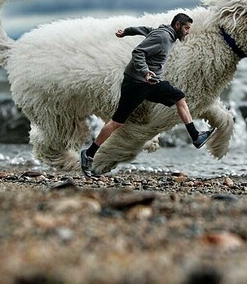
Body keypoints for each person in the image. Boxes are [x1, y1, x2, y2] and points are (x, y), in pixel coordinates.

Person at [81, 13, 216, 175]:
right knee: (117, 122)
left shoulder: (164, 32)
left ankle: (195, 136)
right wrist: (145, 72)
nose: (188, 32)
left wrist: (126, 31)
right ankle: (89, 154)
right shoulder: (163, 37)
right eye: (186, 28)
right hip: (137, 83)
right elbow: (138, 52)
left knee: (179, 97)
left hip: (151, 83)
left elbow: (145, 29)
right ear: (178, 25)